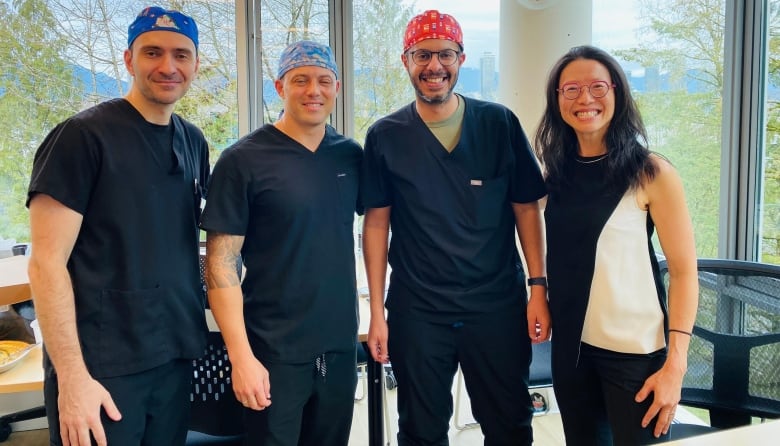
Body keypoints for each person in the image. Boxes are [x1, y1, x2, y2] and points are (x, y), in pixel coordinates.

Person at [361, 9, 551, 445]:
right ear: (405, 60)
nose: (434, 66)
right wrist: (377, 313)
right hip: (419, 309)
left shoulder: (498, 124)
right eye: (422, 55)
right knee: (420, 429)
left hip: (496, 305)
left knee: (509, 423)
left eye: (445, 54)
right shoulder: (386, 136)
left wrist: (538, 288)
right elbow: (376, 225)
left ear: (461, 58)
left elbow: (527, 209)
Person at [26, 6, 208, 446]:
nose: (168, 66)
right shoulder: (81, 138)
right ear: (128, 60)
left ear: (196, 64)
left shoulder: (193, 140)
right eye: (153, 53)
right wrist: (72, 380)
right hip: (102, 369)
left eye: (181, 55)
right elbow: (45, 265)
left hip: (173, 357)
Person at [534, 45, 699, 445]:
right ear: (557, 101)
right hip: (571, 351)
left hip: (635, 354)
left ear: (617, 93)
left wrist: (676, 365)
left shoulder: (651, 172)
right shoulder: (555, 174)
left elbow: (683, 271)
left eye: (597, 86)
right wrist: (536, 289)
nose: (584, 99)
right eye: (570, 89)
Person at [200, 40, 362, 446]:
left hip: (339, 346)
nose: (314, 90)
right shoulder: (242, 160)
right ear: (279, 87)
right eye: (300, 80)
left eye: (324, 81)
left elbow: (378, 226)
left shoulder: (350, 157)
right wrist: (241, 358)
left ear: (337, 88)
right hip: (273, 350)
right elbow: (220, 265)